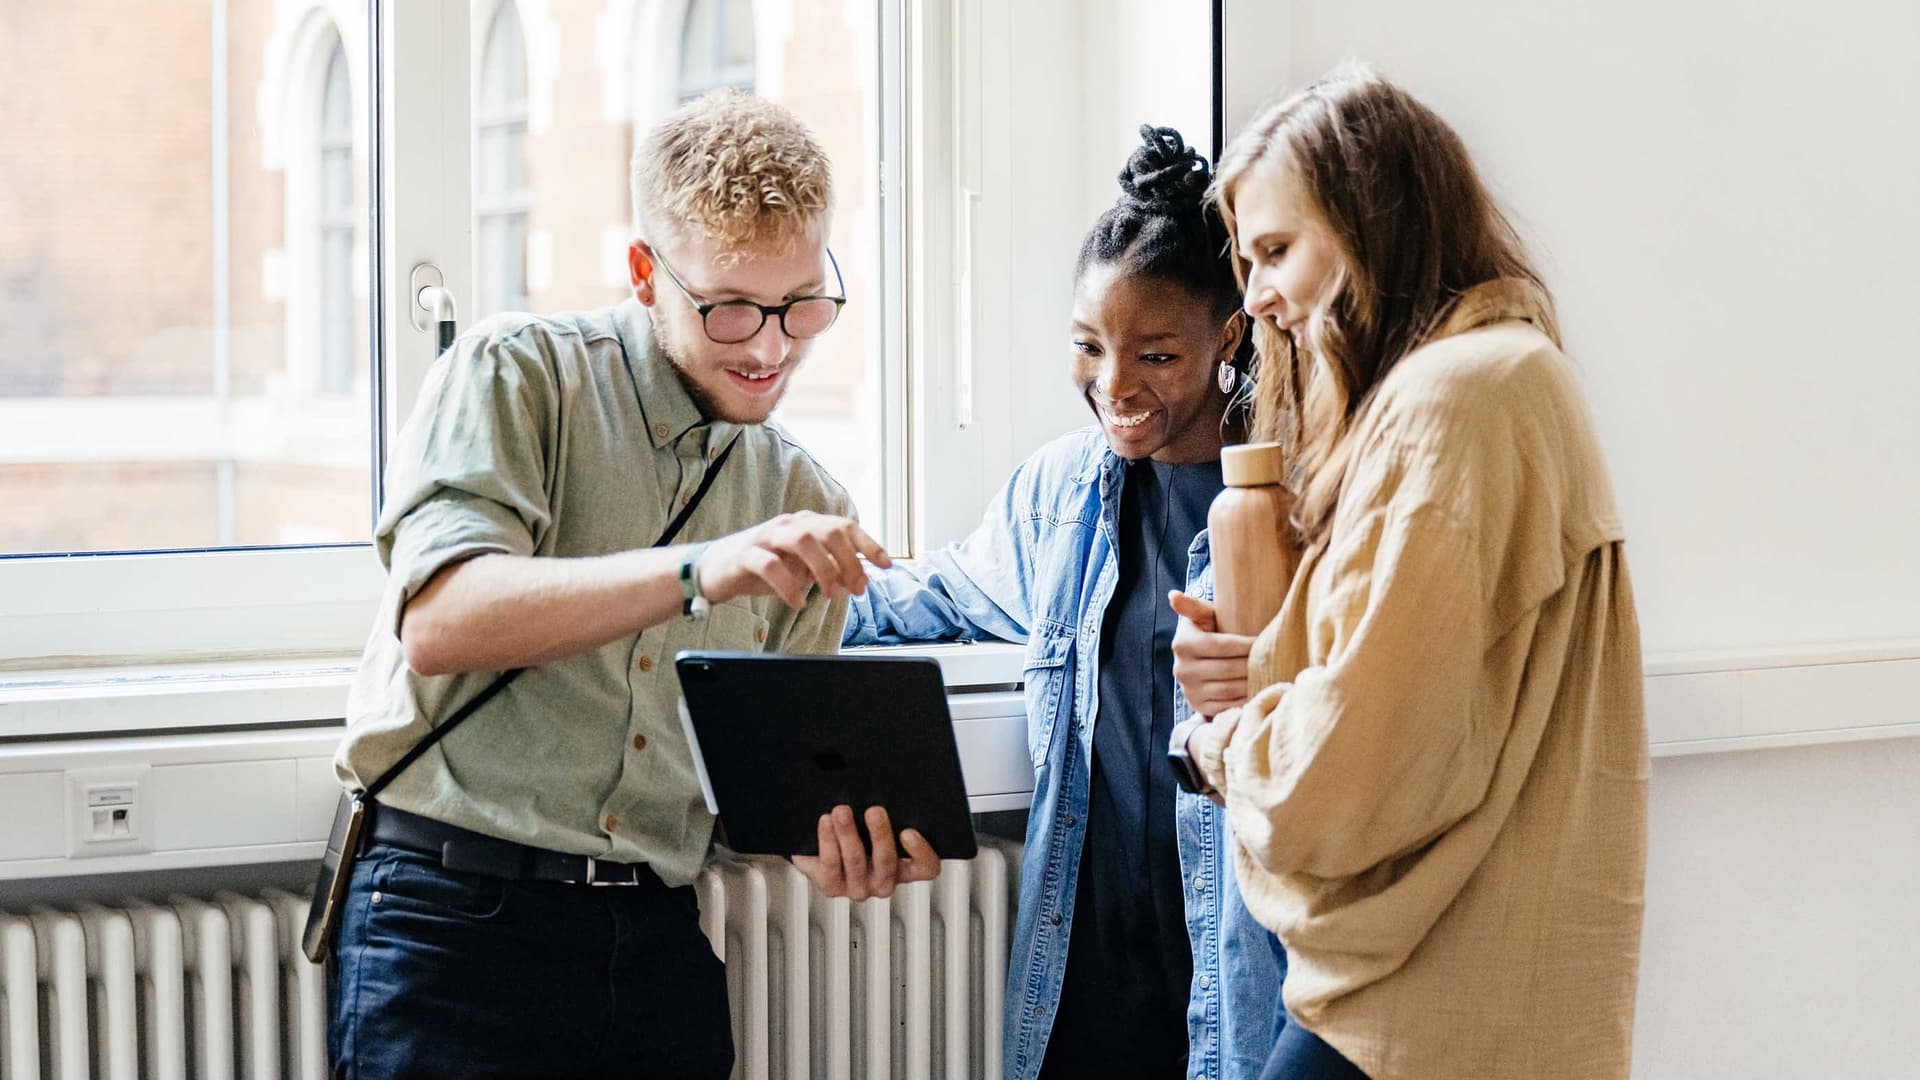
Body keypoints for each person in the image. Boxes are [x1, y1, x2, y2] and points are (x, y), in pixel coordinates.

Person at [327, 91, 930, 1079]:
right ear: (646, 273)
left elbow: (760, 793)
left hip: (654, 936)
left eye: (801, 304)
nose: (772, 346)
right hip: (448, 916)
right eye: (732, 307)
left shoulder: (803, 494)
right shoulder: (517, 374)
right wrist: (699, 571)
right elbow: (440, 619)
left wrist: (829, 845)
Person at [1171, 65, 1648, 1080]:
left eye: (1276, 251)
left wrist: (1217, 744)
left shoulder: (1451, 402)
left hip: (1414, 1006)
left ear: (1369, 222)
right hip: (1489, 988)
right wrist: (1267, 664)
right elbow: (1431, 695)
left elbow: (1349, 771)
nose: (1254, 296)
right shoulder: (1509, 377)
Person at [841, 126, 1284, 1080]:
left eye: (1157, 355)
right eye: (1089, 347)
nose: (1113, 385)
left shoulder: (1287, 503)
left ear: (1229, 337)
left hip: (1237, 977)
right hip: (1083, 980)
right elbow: (935, 596)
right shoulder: (1062, 494)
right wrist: (766, 587)